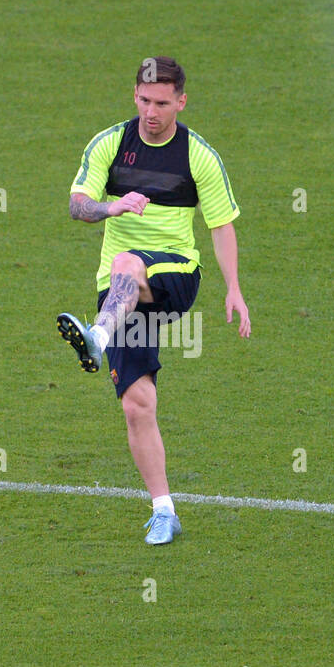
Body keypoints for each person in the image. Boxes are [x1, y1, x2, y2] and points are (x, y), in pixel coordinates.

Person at [56, 56, 250, 544]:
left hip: (175, 277)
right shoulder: (110, 144)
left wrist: (234, 289)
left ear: (181, 102)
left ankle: (96, 336)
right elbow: (78, 206)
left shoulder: (198, 155)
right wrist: (112, 205)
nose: (152, 112)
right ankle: (164, 511)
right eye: (144, 101)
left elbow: (221, 225)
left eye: (163, 103)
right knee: (137, 404)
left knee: (127, 261)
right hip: (119, 293)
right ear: (134, 98)